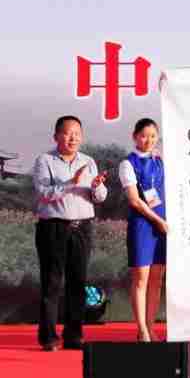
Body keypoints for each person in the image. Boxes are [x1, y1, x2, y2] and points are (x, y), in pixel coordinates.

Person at [33, 115, 108, 351]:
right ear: (56, 136)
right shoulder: (45, 160)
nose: (72, 138)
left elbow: (100, 197)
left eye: (77, 134)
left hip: (82, 227)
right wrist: (71, 182)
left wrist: (96, 187)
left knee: (78, 282)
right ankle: (48, 337)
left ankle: (74, 334)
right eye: (67, 133)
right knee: (52, 282)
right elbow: (44, 193)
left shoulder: (88, 161)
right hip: (53, 227)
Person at [115, 118, 168, 342]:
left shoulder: (160, 160)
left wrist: (163, 222)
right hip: (143, 225)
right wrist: (157, 220)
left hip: (163, 226)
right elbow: (135, 201)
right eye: (144, 136)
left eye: (153, 136)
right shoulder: (128, 164)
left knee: (157, 279)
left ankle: (151, 326)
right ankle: (142, 330)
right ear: (135, 136)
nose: (149, 140)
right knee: (141, 279)